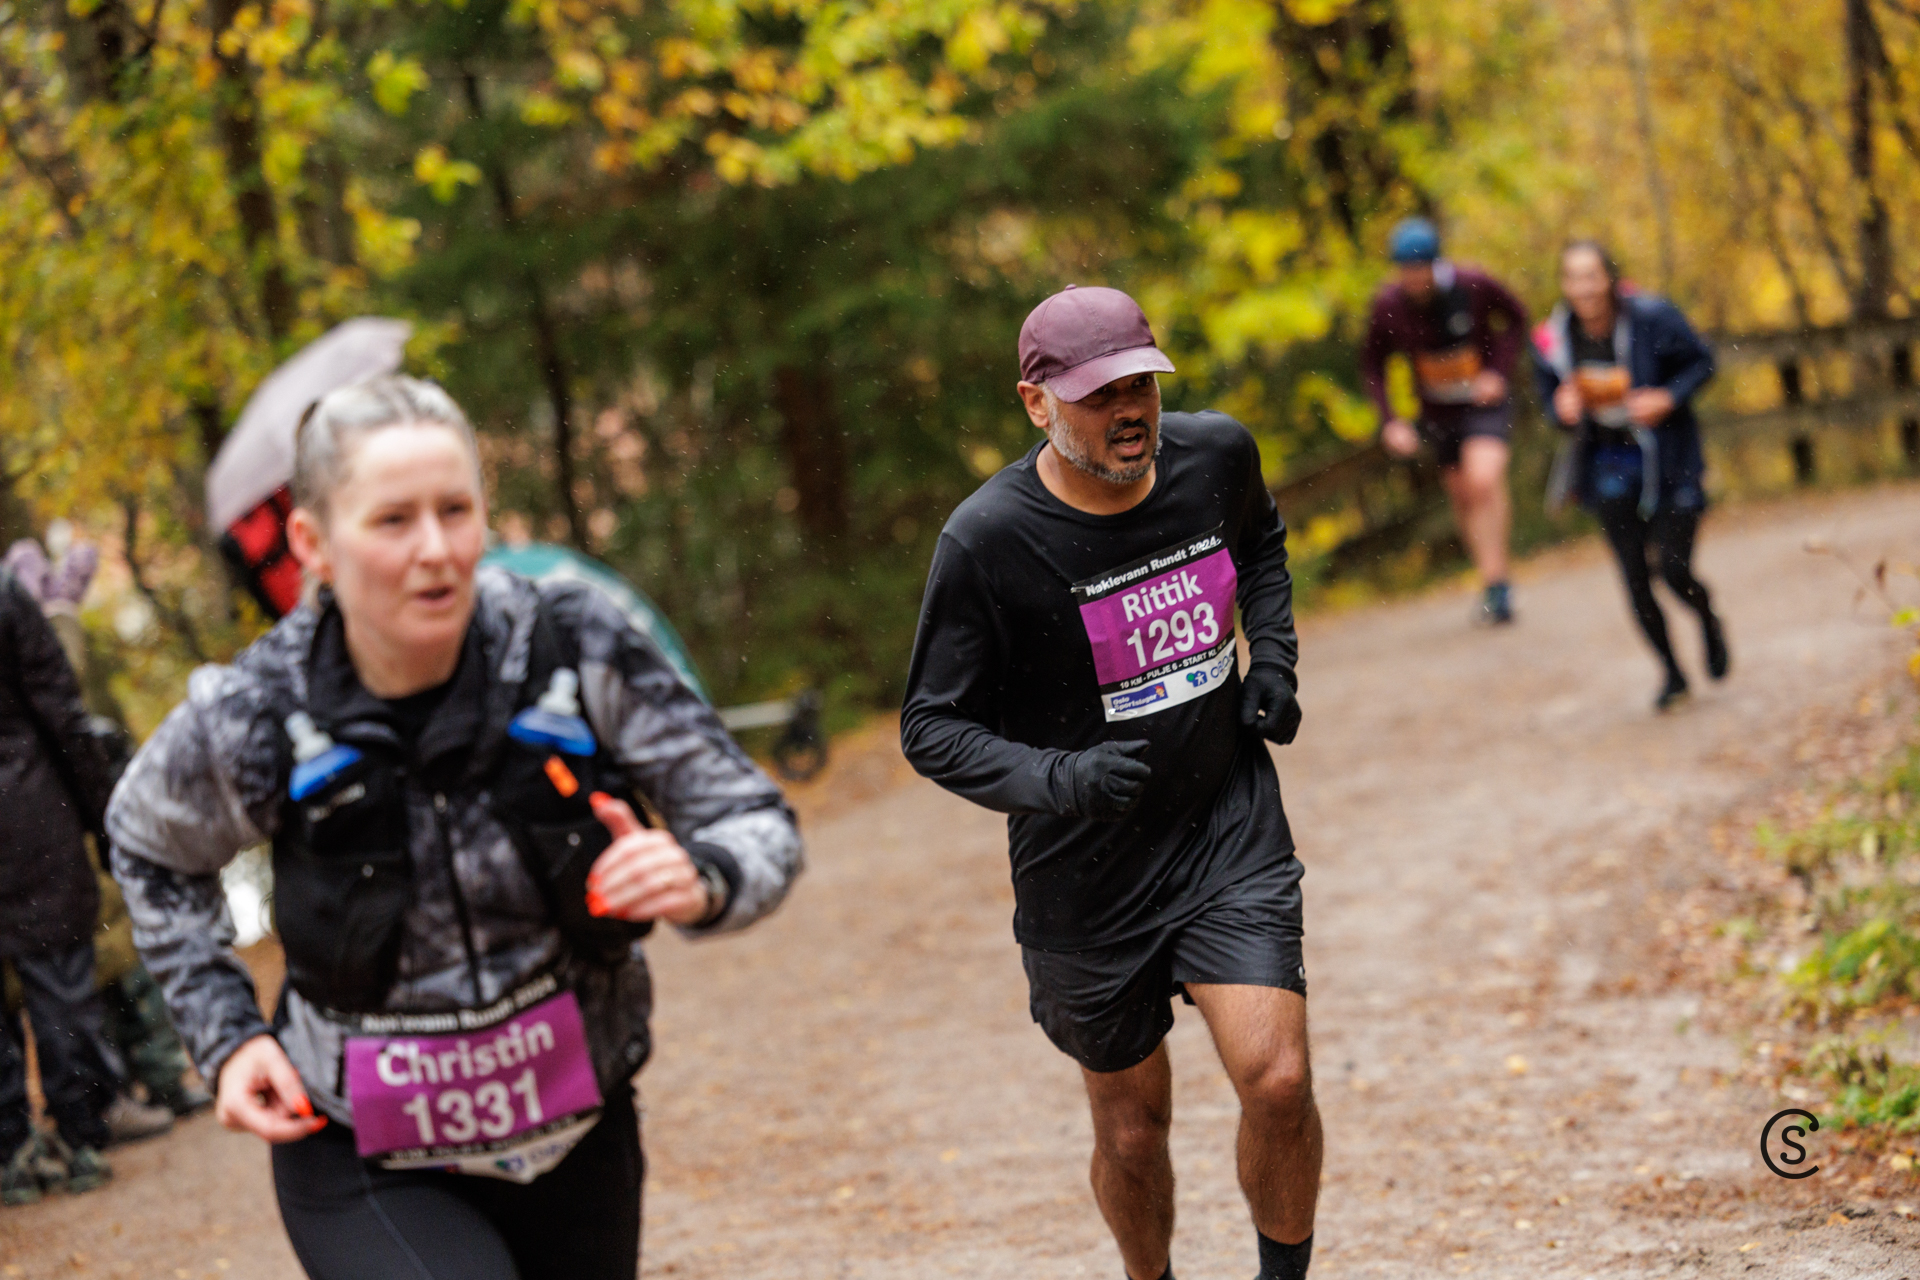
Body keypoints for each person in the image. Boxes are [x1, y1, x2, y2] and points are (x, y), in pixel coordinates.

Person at [106, 376, 803, 1278]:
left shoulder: (569, 644)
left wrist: (703, 875)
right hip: (363, 1150)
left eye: (455, 510)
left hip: (578, 1128)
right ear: (313, 543)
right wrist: (227, 1035)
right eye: (393, 521)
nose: (434, 550)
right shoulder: (257, 711)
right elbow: (148, 847)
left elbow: (751, 817)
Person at [901, 286, 1321, 1280]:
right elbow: (930, 727)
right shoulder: (987, 540)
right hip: (1083, 872)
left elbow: (1261, 544)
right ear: (1036, 403)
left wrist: (1273, 660)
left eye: (1140, 385)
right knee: (1133, 1131)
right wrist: (1065, 777)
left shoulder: (1215, 457)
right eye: (1099, 396)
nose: (1129, 410)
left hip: (1223, 824)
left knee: (1278, 1079)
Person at [0, 563, 168, 1205]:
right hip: (27, 817)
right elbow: (62, 713)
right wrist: (104, 817)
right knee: (60, 977)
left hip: (26, 814)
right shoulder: (6, 595)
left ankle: (11, 1151)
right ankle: (82, 1133)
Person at [1533, 241, 1727, 710]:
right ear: (1563, 285)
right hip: (1607, 463)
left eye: (1592, 275)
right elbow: (1550, 404)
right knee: (1635, 576)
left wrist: (1667, 397)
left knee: (1674, 570)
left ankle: (1706, 616)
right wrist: (1561, 409)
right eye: (1574, 277)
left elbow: (1703, 363)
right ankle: (1672, 674)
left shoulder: (1653, 317)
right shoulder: (1553, 342)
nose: (1584, 288)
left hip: (1669, 459)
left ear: (1610, 279)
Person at [1361, 216, 1530, 623]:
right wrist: (1391, 421)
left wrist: (1498, 372)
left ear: (1436, 263)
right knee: (1463, 496)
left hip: (1483, 404)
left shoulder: (1473, 285)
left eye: (1420, 268)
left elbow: (1517, 318)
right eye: (1405, 270)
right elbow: (1372, 364)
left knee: (1483, 479)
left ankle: (1499, 581)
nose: (1413, 278)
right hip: (1438, 413)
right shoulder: (1388, 306)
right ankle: (1492, 582)